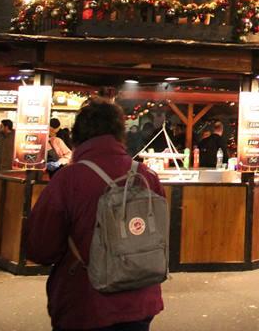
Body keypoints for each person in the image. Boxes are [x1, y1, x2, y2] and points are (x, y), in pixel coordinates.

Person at [25, 98, 164, 330]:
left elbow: (40, 248)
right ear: (121, 134)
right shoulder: (146, 176)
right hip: (140, 298)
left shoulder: (68, 179)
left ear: (78, 136)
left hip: (85, 301)